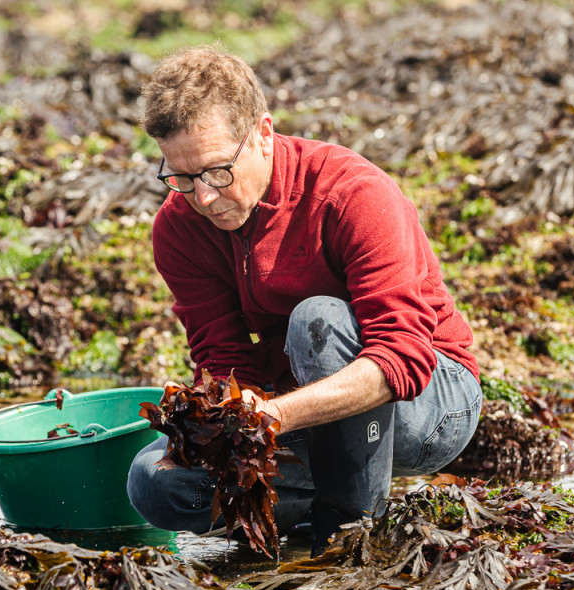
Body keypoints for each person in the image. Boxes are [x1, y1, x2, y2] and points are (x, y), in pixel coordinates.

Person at [126, 44, 482, 554]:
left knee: (318, 321)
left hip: (432, 400)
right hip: (302, 406)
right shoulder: (179, 227)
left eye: (216, 172)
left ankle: (349, 527)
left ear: (263, 135)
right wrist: (223, 423)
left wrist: (273, 418)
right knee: (153, 482)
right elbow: (223, 359)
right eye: (181, 177)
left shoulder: (353, 193)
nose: (203, 197)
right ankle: (308, 510)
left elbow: (402, 358)